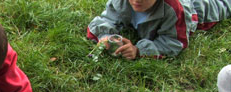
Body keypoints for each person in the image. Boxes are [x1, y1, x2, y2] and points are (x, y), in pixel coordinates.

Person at [86, 0, 231, 59]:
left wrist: (139, 50)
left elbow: (173, 42)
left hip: (203, 6)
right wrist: (105, 36)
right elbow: (106, 19)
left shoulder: (175, 9)